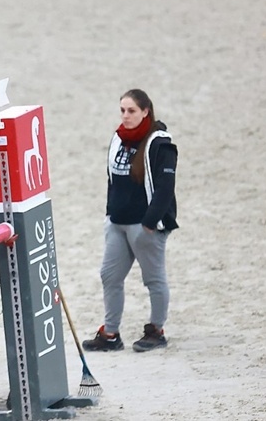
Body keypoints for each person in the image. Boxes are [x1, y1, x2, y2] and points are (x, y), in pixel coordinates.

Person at [83, 89, 178, 353]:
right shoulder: (117, 138)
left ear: (146, 111)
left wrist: (150, 222)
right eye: (122, 110)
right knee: (109, 276)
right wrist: (108, 214)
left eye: (132, 111)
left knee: (154, 280)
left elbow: (165, 187)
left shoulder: (161, 144)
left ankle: (156, 330)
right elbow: (111, 180)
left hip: (144, 225)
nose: (125, 116)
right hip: (117, 222)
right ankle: (111, 334)